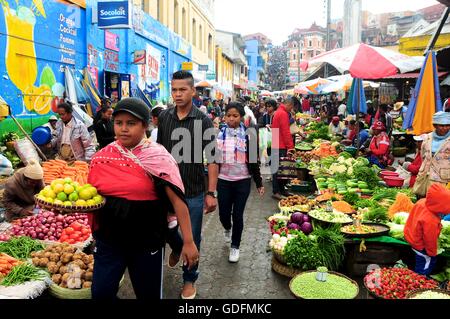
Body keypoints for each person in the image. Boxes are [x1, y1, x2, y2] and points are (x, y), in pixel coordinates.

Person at [88, 98, 198, 300]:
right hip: (110, 240)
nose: (123, 129)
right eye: (119, 123)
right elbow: (90, 198)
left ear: (145, 125)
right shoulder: (102, 157)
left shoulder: (158, 157)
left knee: (148, 294)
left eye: (131, 123)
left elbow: (178, 202)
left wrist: (188, 242)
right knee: (100, 293)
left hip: (147, 241)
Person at [157, 71, 218, 300]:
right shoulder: (164, 117)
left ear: (193, 91)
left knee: (193, 238)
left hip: (193, 191)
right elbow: (159, 153)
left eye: (183, 89)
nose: (178, 94)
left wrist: (211, 193)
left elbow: (212, 158)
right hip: (166, 188)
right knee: (165, 229)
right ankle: (176, 245)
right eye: (174, 89)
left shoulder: (204, 121)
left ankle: (189, 279)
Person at [217, 102, 264, 263]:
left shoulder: (249, 135)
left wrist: (259, 182)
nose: (231, 119)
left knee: (237, 215)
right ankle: (227, 228)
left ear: (241, 117)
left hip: (242, 181)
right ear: (225, 117)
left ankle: (235, 246)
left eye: (235, 116)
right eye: (229, 115)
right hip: (223, 180)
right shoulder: (219, 134)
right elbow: (213, 160)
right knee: (224, 214)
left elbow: (254, 160)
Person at [404, 184, 450, 276]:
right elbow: (430, 239)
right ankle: (420, 280)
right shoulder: (431, 220)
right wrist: (432, 253)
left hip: (411, 236)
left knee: (419, 260)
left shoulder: (422, 202)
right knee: (426, 262)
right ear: (441, 206)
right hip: (420, 245)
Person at [416, 111, 450, 189]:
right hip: (426, 176)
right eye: (441, 125)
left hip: (444, 179)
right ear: (435, 126)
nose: (445, 128)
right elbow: (423, 156)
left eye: (447, 125)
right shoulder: (427, 138)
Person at [271, 97, 295, 200]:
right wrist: (290, 147)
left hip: (276, 143)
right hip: (280, 145)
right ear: (289, 105)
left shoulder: (278, 112)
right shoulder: (283, 114)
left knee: (280, 170)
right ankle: (277, 191)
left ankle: (281, 190)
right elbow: (286, 132)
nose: (291, 109)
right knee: (279, 170)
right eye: (291, 107)